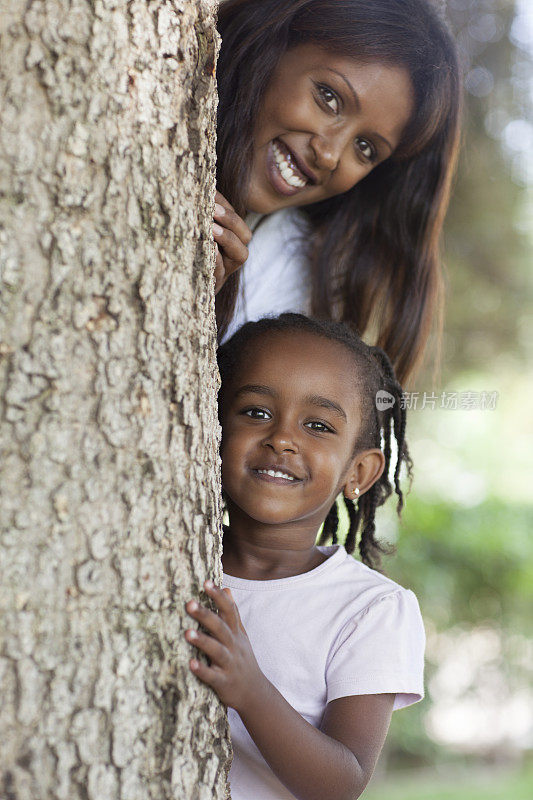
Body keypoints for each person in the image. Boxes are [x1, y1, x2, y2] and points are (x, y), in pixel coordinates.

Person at [184, 314, 425, 800]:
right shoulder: (172, 558)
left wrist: (250, 691)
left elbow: (342, 784)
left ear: (359, 471)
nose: (282, 438)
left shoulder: (369, 610)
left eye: (317, 425)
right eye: (254, 412)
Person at [212, 0, 462, 384]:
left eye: (365, 149)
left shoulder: (289, 272)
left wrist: (199, 302)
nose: (329, 156)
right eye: (329, 98)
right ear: (271, 44)